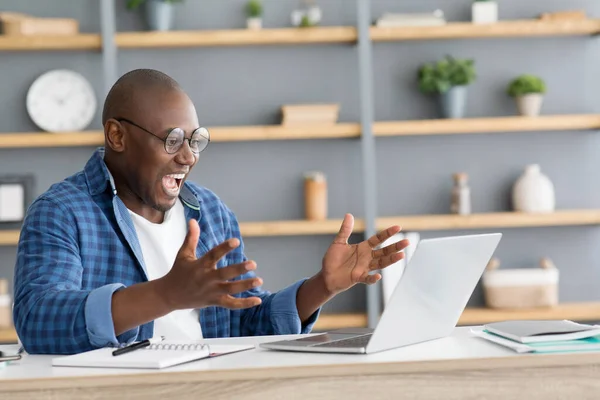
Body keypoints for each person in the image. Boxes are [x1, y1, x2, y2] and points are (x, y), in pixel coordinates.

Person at [13, 69, 409, 355]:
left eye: (195, 140)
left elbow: (247, 324)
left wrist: (323, 286)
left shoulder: (209, 210)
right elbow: (39, 322)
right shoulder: (62, 212)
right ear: (117, 135)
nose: (187, 157)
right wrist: (164, 295)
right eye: (171, 140)